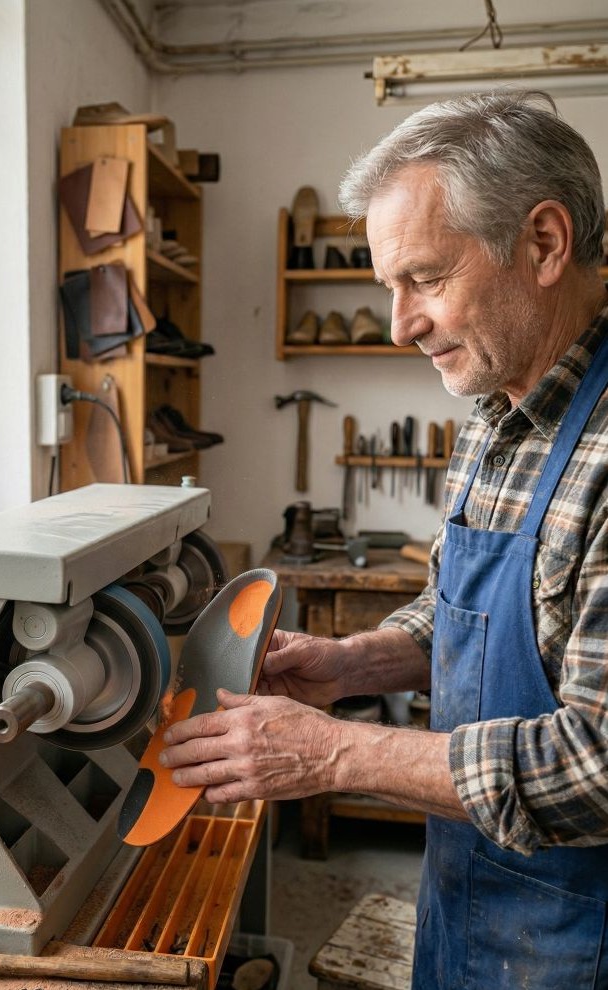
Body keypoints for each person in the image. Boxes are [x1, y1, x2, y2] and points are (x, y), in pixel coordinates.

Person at [160, 90, 608, 988]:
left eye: (427, 278)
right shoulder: (495, 407)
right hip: (467, 908)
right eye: (388, 289)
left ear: (546, 244)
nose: (402, 324)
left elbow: (596, 765)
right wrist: (352, 663)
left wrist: (335, 751)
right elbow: (464, 608)